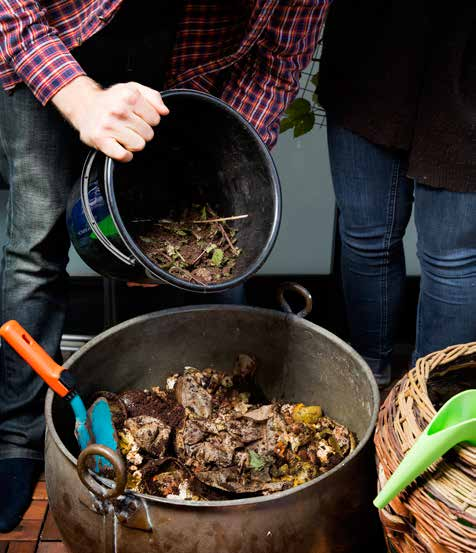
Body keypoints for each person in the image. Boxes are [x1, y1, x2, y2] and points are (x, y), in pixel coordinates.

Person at [0, 0, 330, 532]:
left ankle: (219, 427)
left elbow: (276, 63)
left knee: (206, 246)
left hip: (181, 70)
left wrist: (209, 155)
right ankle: (16, 439)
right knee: (34, 246)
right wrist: (79, 98)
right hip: (59, 46)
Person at [318, 1, 476, 386]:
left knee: (452, 260)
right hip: (372, 48)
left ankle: (428, 407)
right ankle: (369, 381)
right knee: (365, 236)